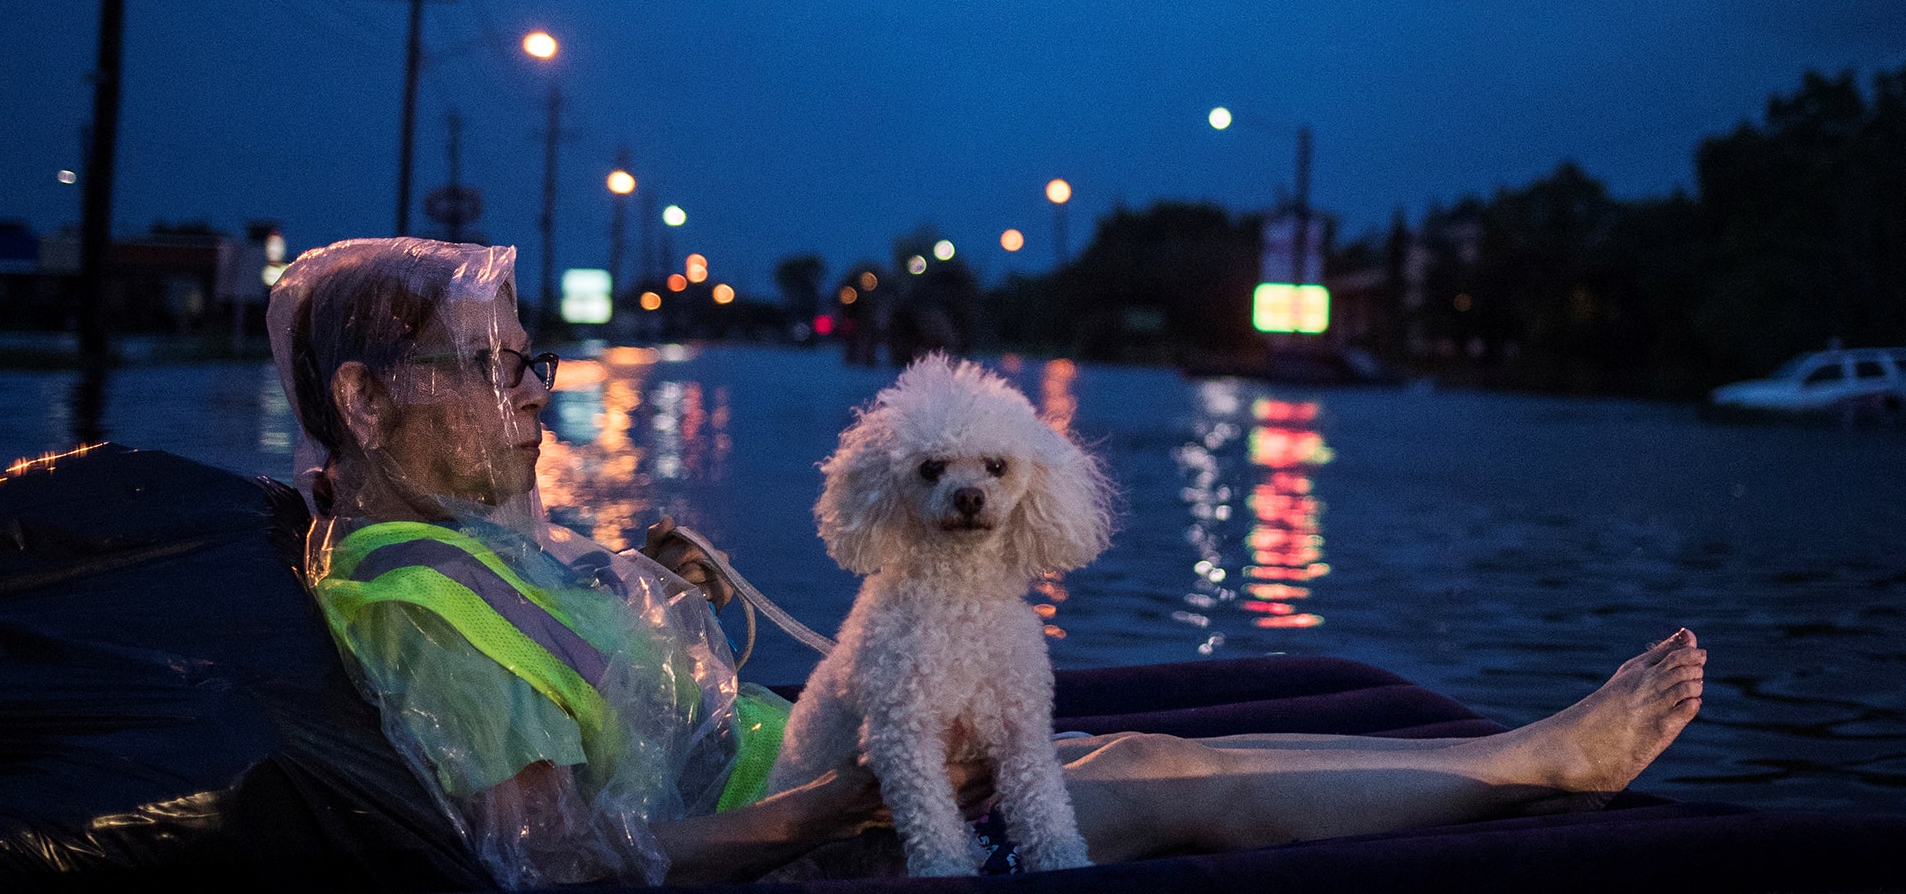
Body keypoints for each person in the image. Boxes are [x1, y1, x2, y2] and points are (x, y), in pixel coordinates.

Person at [268, 238, 1706, 887]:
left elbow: (610, 720)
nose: (537, 395)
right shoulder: (415, 602)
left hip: (777, 767)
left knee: (1141, 729)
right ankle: (1541, 769)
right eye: (496, 368)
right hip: (792, 837)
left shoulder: (457, 547)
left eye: (535, 363)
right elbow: (564, 869)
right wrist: (829, 809)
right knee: (1126, 772)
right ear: (368, 402)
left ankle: (1511, 762)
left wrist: (674, 593)